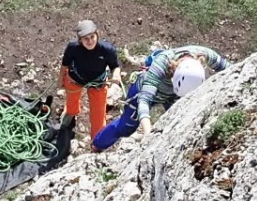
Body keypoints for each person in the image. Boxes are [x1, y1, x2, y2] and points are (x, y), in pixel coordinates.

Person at [92, 45, 228, 150]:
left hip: (172, 96)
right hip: (142, 91)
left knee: (179, 124)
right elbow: (144, 100)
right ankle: (97, 144)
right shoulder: (162, 63)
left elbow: (227, 67)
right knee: (126, 127)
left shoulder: (202, 54)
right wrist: (148, 134)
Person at [60, 19, 121, 143]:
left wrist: (116, 75)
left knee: (98, 116)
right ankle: (71, 113)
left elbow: (115, 66)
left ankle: (97, 141)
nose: (90, 41)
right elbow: (65, 65)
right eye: (85, 38)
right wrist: (60, 80)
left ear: (97, 34)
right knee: (71, 104)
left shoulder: (106, 49)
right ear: (80, 39)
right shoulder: (73, 48)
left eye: (92, 37)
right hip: (75, 79)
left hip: (97, 82)